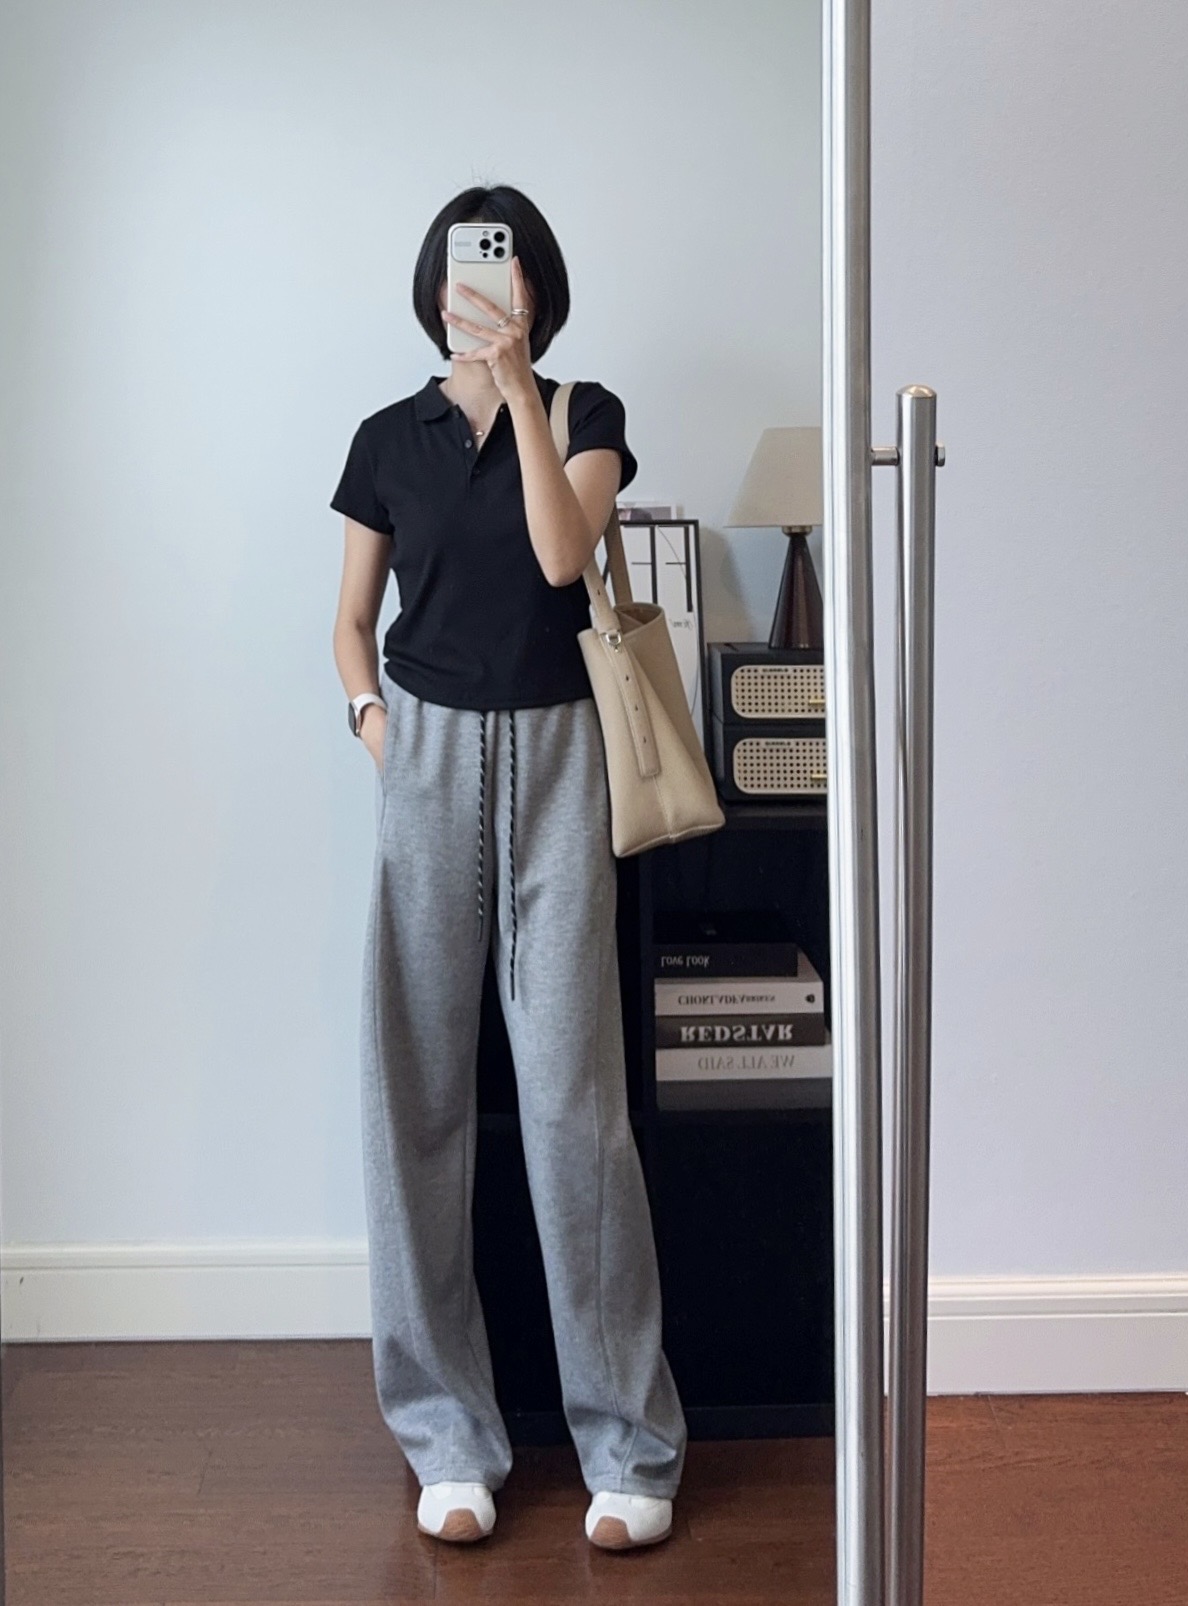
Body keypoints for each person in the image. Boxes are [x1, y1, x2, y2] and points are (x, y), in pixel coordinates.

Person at [330, 185, 687, 1551]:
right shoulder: (387, 438)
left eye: (507, 265)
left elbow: (558, 554)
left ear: (537, 285)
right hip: (423, 754)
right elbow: (352, 620)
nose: (482, 285)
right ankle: (446, 1438)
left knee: (574, 1108)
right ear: (436, 285)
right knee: (414, 1097)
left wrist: (523, 388)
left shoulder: (588, 414)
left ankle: (629, 1444)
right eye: (467, 266)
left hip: (558, 758)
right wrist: (374, 726)